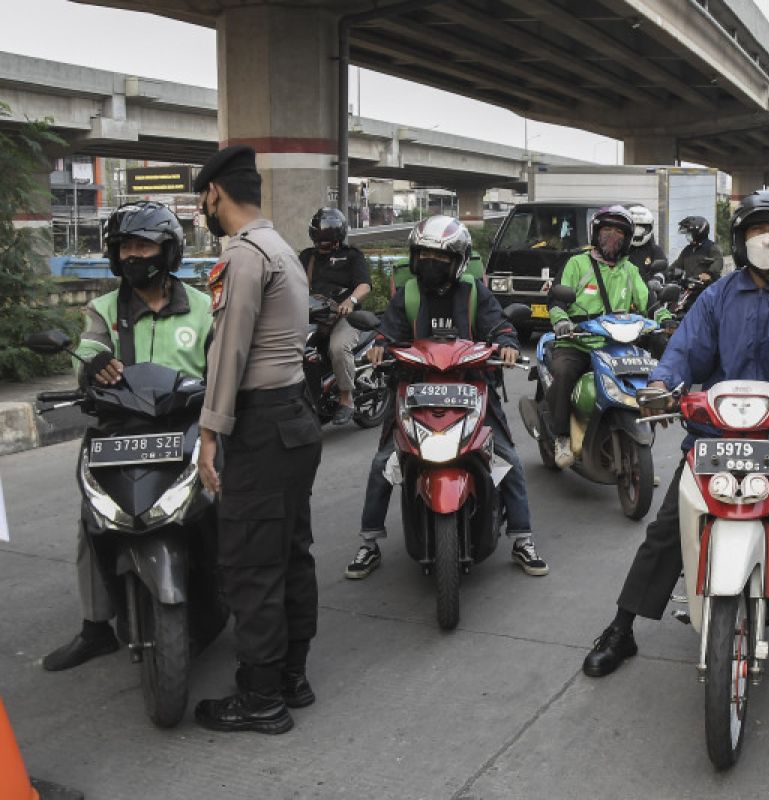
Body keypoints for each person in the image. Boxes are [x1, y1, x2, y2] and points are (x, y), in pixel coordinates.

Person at [581, 190, 769, 700]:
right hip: (717, 434)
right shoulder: (717, 295)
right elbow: (683, 352)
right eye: (757, 233)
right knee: (667, 529)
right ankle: (622, 628)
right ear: (740, 242)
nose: (767, 241)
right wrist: (659, 387)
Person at [41, 201, 216, 672]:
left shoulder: (203, 308)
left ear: (169, 250)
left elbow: (223, 364)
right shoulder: (102, 310)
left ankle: (227, 601)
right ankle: (96, 628)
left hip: (186, 428)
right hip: (118, 429)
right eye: (125, 247)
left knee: (222, 506)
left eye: (144, 245)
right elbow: (89, 348)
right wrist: (92, 365)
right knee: (91, 519)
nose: (133, 255)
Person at [191, 144, 322, 735]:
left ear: (215, 193)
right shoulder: (285, 250)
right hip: (294, 419)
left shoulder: (244, 256)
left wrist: (210, 432)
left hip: (262, 423)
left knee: (251, 564)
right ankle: (292, 676)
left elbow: (230, 353)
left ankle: (261, 697)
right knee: (291, 554)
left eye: (204, 198)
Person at [346, 215, 548, 579]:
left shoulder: (473, 293)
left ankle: (522, 538)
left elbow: (498, 324)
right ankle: (368, 542)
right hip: (415, 389)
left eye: (440, 258)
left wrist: (506, 345)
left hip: (472, 388)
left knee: (509, 459)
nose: (431, 264)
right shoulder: (407, 294)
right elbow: (387, 332)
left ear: (458, 261)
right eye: (424, 256)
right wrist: (379, 346)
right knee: (383, 464)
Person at [546, 205, 673, 469]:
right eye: (607, 230)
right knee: (564, 370)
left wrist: (667, 320)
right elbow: (557, 302)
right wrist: (562, 322)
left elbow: (649, 303)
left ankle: (638, 453)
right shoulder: (578, 263)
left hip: (618, 344)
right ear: (596, 233)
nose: (612, 236)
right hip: (579, 341)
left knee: (647, 383)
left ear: (627, 239)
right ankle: (561, 437)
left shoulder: (630, 270)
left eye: (618, 232)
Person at [299, 207, 372, 425]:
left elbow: (364, 285)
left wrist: (351, 301)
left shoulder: (352, 256)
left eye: (327, 239)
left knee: (338, 348)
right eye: (319, 237)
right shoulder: (306, 257)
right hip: (312, 316)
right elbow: (292, 284)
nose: (323, 243)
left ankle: (346, 398)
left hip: (344, 317)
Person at [670, 215, 722, 283]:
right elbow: (677, 265)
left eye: (689, 233)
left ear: (699, 233)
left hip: (708, 288)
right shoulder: (687, 250)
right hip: (690, 287)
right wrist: (663, 275)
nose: (687, 235)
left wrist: (709, 273)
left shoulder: (711, 247)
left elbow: (718, 261)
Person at [626, 204, 667, 283]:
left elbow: (663, 271)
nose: (637, 232)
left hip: (647, 290)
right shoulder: (620, 249)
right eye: (634, 228)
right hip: (621, 290)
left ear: (650, 228)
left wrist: (657, 280)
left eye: (642, 228)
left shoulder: (655, 250)